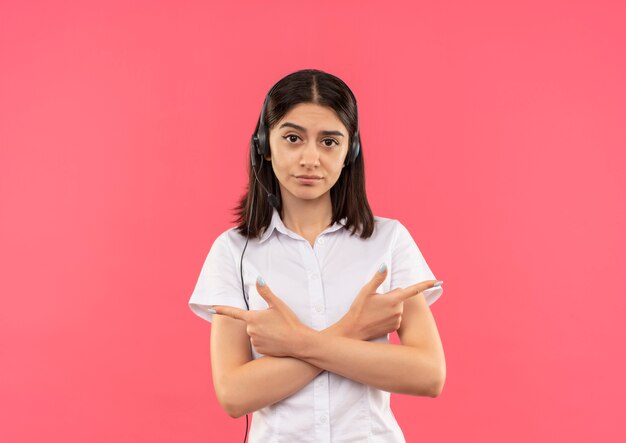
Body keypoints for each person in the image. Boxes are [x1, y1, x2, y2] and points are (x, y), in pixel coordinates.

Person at [188, 69, 446, 443]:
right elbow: (234, 395)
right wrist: (354, 329)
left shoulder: (389, 240)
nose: (310, 158)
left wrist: (293, 343)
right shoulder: (232, 251)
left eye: (329, 141)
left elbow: (428, 374)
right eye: (293, 138)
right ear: (264, 143)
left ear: (350, 150)